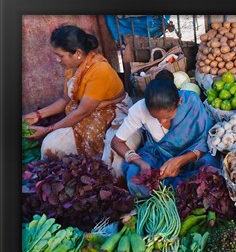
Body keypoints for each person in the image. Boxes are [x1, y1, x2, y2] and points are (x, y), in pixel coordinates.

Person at [22, 25, 133, 159]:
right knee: (50, 146)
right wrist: (38, 115)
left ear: (78, 53)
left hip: (114, 111)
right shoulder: (72, 66)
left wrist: (47, 129)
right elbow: (65, 99)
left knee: (111, 156)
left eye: (60, 56)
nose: (57, 60)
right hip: (85, 109)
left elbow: (82, 112)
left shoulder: (100, 70)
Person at [111, 70, 219, 198]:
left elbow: (206, 141)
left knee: (211, 163)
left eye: (168, 117)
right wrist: (141, 163)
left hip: (191, 156)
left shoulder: (191, 102)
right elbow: (117, 142)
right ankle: (182, 191)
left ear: (179, 101)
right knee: (134, 175)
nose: (162, 121)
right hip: (159, 157)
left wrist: (180, 161)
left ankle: (172, 190)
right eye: (155, 117)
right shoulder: (140, 109)